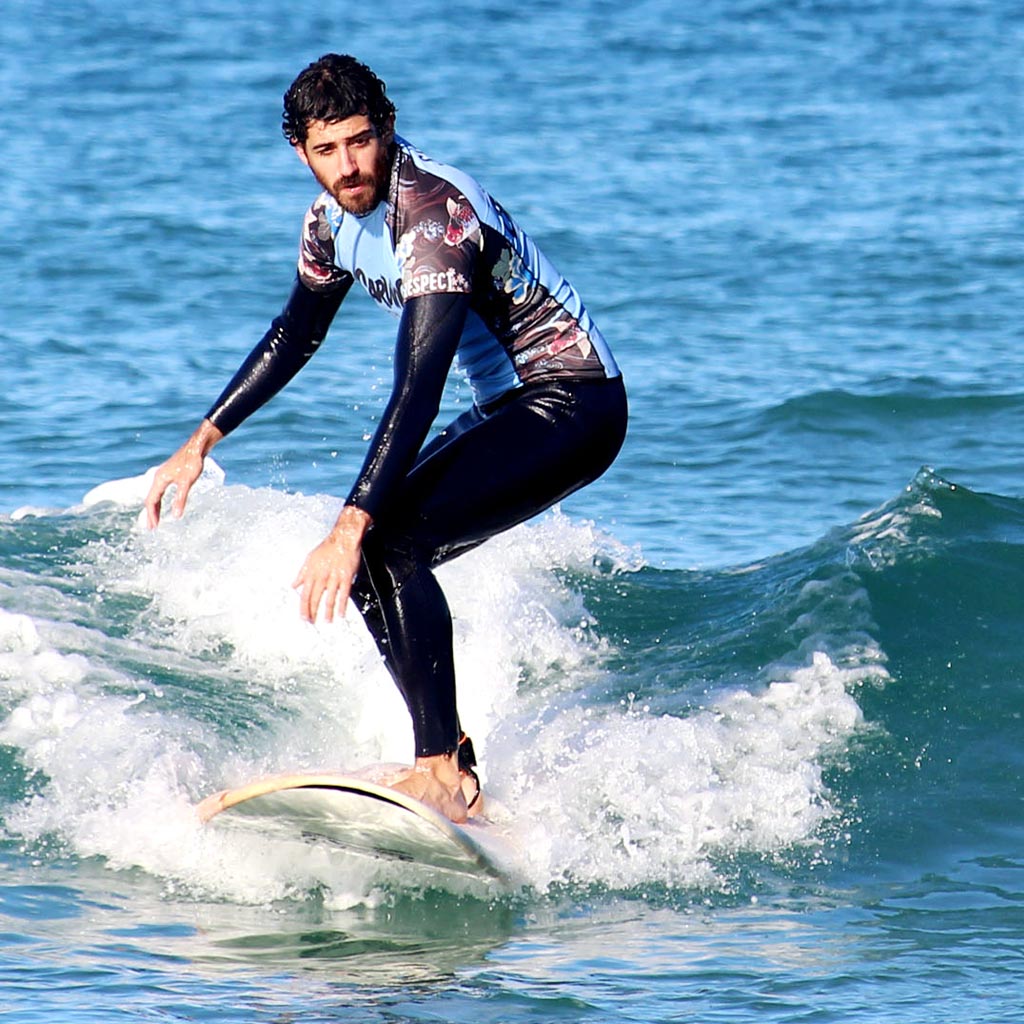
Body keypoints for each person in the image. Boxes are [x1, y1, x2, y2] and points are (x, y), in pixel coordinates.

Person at [144, 54, 627, 823]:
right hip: (511, 404)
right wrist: (202, 439)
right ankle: (449, 762)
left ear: (388, 129)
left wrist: (349, 523)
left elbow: (419, 385)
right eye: (327, 150)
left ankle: (439, 768)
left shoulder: (433, 215)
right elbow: (295, 333)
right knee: (378, 547)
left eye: (361, 141)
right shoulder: (328, 223)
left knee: (382, 540)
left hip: (573, 403)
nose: (349, 164)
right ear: (299, 151)